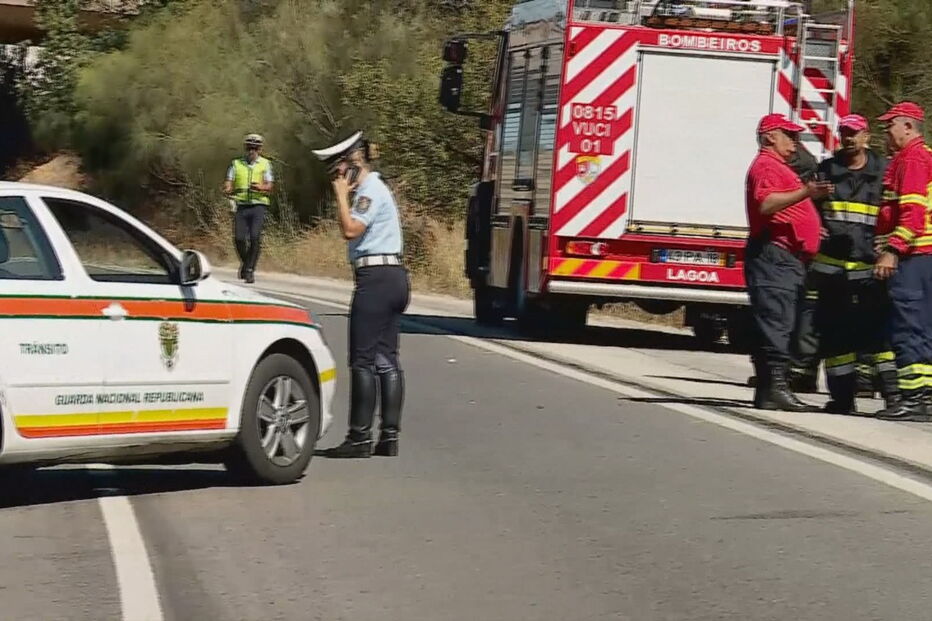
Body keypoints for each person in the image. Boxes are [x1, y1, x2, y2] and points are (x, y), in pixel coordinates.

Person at [312, 131, 410, 457]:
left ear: (353, 163)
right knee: (386, 358)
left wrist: (342, 196)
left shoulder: (369, 191)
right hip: (392, 276)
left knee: (362, 360)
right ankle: (389, 437)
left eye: (339, 171)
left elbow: (351, 229)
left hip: (376, 279)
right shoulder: (376, 189)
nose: (337, 179)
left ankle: (359, 438)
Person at [745, 113, 833, 411]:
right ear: (771, 136)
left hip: (785, 257)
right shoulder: (767, 166)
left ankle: (769, 391)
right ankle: (775, 389)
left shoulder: (779, 167)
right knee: (777, 324)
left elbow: (785, 208)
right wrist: (807, 192)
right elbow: (766, 203)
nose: (795, 143)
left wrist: (809, 226)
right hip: (775, 256)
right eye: (789, 136)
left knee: (781, 322)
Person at [810, 114, 897, 414]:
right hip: (831, 269)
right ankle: (842, 399)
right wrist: (814, 226)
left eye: (855, 133)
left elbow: (898, 210)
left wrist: (891, 245)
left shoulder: (884, 171)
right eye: (845, 132)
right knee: (835, 337)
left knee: (879, 336)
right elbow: (808, 205)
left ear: (866, 136)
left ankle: (894, 398)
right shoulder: (826, 170)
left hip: (871, 268)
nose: (849, 138)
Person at [873, 102, 932, 421]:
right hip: (923, 258)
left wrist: (892, 249)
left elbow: (912, 215)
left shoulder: (911, 159)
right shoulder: (922, 156)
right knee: (923, 328)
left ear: (908, 127)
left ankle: (913, 399)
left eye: (890, 125)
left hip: (913, 257)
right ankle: (925, 397)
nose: (886, 131)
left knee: (908, 327)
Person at [223, 133, 273, 284]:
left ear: (260, 149)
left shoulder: (265, 164)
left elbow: (269, 185)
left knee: (255, 237)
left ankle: (249, 270)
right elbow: (229, 181)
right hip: (241, 205)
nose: (252, 151)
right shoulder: (236, 164)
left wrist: (260, 187)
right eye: (250, 147)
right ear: (246, 148)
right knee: (239, 239)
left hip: (258, 204)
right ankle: (246, 264)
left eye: (255, 148)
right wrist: (228, 188)